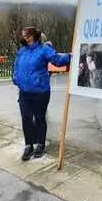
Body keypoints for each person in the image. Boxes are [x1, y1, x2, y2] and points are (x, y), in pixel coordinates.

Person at [12, 27, 71, 161]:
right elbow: (16, 66)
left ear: (34, 36)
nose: (24, 38)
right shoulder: (22, 51)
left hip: (40, 91)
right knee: (26, 118)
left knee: (39, 118)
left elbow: (57, 60)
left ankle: (40, 144)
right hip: (24, 92)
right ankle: (29, 145)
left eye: (27, 35)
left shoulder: (44, 50)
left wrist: (71, 56)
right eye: (23, 35)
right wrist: (16, 78)